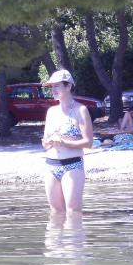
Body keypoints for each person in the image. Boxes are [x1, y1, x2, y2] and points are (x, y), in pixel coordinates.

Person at [41, 70, 93, 213]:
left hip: (72, 165)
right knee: (56, 212)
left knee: (73, 211)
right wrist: (48, 142)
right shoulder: (51, 112)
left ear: (68, 86)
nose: (53, 90)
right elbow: (45, 144)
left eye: (57, 86)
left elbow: (88, 142)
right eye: (52, 87)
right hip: (51, 166)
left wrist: (64, 143)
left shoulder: (80, 110)